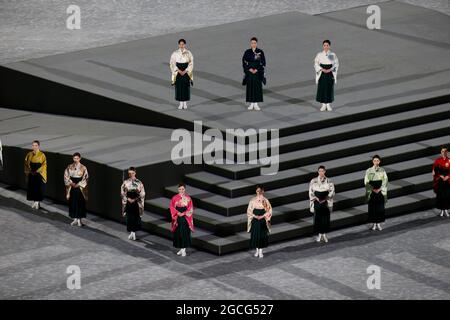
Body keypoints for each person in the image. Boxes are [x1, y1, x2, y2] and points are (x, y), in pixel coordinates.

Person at [309, 166, 335, 243]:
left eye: (322, 171)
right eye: (319, 171)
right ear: (318, 172)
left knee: (325, 219)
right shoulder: (313, 181)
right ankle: (320, 235)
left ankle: (324, 235)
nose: (321, 172)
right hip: (317, 201)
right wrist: (315, 198)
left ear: (325, 171)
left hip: (325, 201)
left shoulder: (329, 181)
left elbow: (332, 191)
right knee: (318, 218)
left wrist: (327, 197)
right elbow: (310, 191)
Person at [64, 153, 89, 227]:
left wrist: (79, 184)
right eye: (74, 158)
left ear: (80, 158)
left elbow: (86, 178)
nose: (76, 160)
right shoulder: (69, 166)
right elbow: (66, 176)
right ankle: (75, 218)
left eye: (77, 158)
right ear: (73, 159)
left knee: (80, 203)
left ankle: (79, 220)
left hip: (80, 187)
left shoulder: (83, 167)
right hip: (72, 186)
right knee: (73, 202)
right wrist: (71, 183)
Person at [247, 185, 272, 258]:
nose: (258, 193)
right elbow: (249, 210)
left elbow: (269, 210)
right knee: (255, 234)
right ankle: (257, 250)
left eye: (260, 191)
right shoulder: (252, 200)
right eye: (257, 191)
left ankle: (260, 251)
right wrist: (254, 216)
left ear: (263, 191)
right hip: (255, 218)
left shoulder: (265, 200)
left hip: (262, 218)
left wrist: (263, 216)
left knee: (262, 235)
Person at [120, 167, 145, 240]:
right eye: (129, 173)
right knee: (129, 217)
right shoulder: (125, 182)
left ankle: (133, 232)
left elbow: (142, 193)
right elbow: (122, 192)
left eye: (132, 173)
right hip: (128, 201)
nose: (131, 175)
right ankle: (132, 232)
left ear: (135, 173)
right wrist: (127, 199)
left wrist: (135, 199)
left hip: (136, 202)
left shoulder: (139, 182)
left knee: (135, 217)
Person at [364, 155, 388, 231]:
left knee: (380, 208)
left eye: (377, 160)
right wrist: (372, 189)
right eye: (374, 160)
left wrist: (380, 189)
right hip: (372, 191)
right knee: (373, 208)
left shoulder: (383, 170)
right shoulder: (369, 170)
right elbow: (366, 181)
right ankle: (374, 224)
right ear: (372, 161)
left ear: (379, 161)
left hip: (380, 191)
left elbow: (385, 180)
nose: (376, 162)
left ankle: (379, 224)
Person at [170, 183, 194, 256]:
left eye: (183, 189)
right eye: (180, 189)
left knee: (184, 233)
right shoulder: (174, 198)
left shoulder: (188, 198)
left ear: (185, 189)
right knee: (178, 233)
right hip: (177, 217)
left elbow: (190, 208)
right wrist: (177, 213)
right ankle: (181, 248)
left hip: (185, 217)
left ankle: (184, 250)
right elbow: (171, 207)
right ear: (178, 189)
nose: (181, 190)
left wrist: (183, 213)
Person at [314, 39, 339, 112]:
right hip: (322, 72)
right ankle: (323, 104)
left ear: (329, 46)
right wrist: (321, 69)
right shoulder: (319, 54)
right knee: (322, 88)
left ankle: (328, 104)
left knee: (329, 87)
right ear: (323, 46)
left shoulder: (332, 54)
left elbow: (336, 64)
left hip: (329, 72)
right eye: (324, 45)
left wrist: (330, 69)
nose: (326, 47)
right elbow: (316, 63)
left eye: (327, 45)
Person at [242, 37, 266, 111]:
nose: (253, 44)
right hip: (249, 72)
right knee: (250, 87)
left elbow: (263, 62)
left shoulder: (260, 51)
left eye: (255, 43)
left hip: (257, 72)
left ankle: (256, 104)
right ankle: (251, 103)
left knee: (257, 87)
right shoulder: (247, 52)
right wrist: (249, 69)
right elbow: (244, 61)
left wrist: (257, 69)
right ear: (250, 43)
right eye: (252, 43)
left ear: (257, 43)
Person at [170, 38, 194, 110]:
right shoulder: (175, 53)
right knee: (179, 86)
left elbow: (191, 63)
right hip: (178, 69)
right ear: (178, 45)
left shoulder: (189, 53)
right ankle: (180, 104)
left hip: (186, 69)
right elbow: (172, 62)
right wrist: (178, 70)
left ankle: (185, 103)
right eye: (180, 44)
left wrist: (186, 70)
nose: (181, 45)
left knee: (186, 86)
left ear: (185, 44)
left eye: (183, 44)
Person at [24, 140, 47, 209]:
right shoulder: (29, 154)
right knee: (32, 187)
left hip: (39, 173)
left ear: (38, 146)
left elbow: (44, 165)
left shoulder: (42, 155)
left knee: (38, 188)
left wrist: (37, 171)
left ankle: (37, 202)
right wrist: (29, 171)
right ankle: (35, 202)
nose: (34, 147)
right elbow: (26, 163)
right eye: (33, 145)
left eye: (36, 145)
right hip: (31, 173)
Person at [432, 147, 450, 217]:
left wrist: (448, 176)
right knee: (441, 196)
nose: (444, 153)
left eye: (445, 151)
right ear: (441, 152)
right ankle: (442, 211)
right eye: (442, 151)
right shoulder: (438, 160)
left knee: (447, 195)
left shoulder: (449, 161)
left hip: (447, 181)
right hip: (440, 180)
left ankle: (446, 210)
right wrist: (440, 176)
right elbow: (435, 170)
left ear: (447, 152)